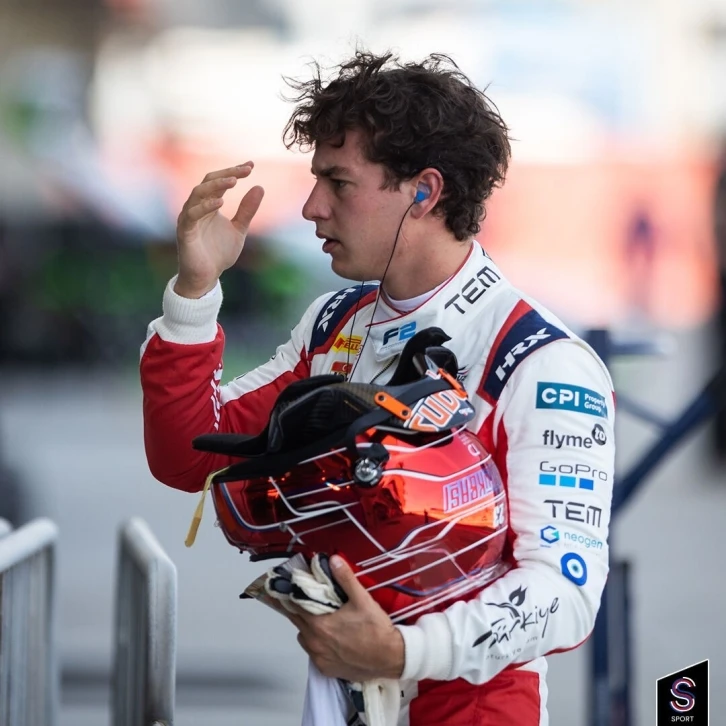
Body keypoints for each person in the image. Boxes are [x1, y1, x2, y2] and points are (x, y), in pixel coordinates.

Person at [140, 51, 616, 726]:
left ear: (424, 191)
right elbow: (189, 455)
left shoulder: (541, 361)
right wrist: (194, 292)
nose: (311, 207)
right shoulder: (335, 323)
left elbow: (565, 594)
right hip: (339, 701)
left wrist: (401, 652)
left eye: (338, 182)